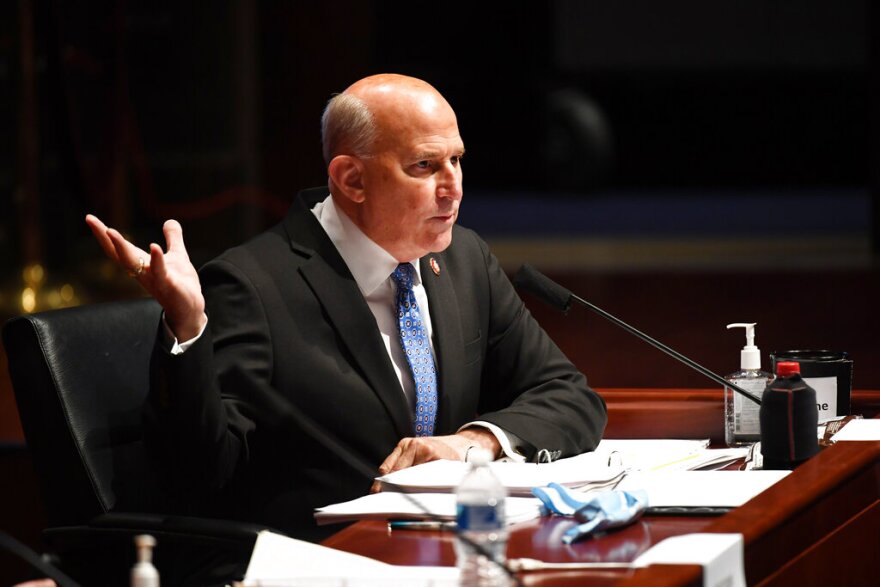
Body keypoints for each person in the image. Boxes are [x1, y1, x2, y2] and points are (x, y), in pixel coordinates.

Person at [86, 74, 607, 540]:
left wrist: (473, 442)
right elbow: (201, 472)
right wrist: (190, 326)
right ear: (351, 179)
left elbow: (568, 396)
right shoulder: (254, 287)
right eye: (424, 166)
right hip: (317, 559)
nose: (453, 188)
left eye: (457, 160)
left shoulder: (464, 259)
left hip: (438, 552)